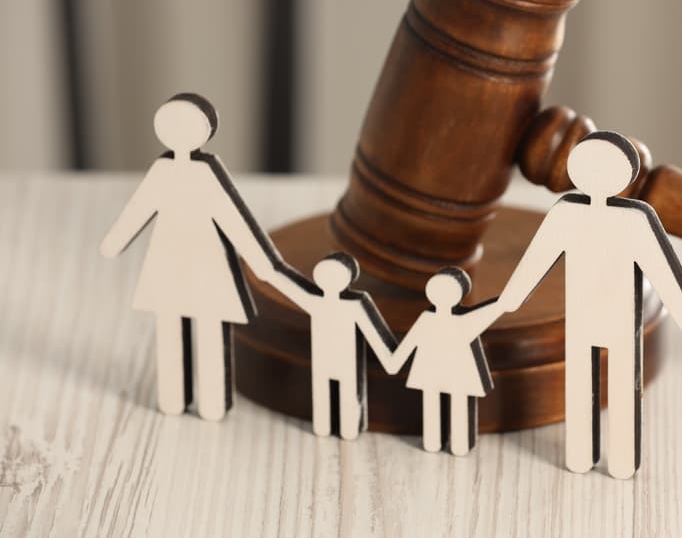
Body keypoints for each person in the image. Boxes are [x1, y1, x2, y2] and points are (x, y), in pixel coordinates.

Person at [497, 130, 682, 479]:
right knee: (583, 385)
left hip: (621, 318)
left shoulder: (635, 219)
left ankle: (622, 459)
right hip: (581, 314)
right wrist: (513, 296)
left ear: (625, 173)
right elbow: (538, 258)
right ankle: (582, 454)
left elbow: (661, 267)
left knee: (623, 385)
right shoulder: (567, 214)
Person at [100, 93, 295, 421]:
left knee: (209, 329)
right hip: (167, 263)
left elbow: (234, 219)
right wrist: (113, 243)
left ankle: (212, 402)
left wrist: (263, 262)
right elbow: (138, 211)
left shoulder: (207, 173)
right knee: (171, 330)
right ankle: (174, 397)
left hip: (209, 265)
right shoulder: (162, 170)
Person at [269, 252, 396, 439]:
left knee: (348, 393)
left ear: (348, 277)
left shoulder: (355, 305)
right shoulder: (315, 300)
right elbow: (284, 282)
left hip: (346, 361)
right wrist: (269, 269)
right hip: (322, 359)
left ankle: (348, 428)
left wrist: (391, 359)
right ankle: (324, 426)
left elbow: (375, 332)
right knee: (322, 391)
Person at [384, 268, 504, 456]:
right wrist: (393, 361)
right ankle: (433, 441)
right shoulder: (428, 318)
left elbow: (495, 309)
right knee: (432, 404)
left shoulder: (466, 319)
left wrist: (508, 301)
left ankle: (459, 443)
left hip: (457, 372)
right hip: (431, 371)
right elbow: (410, 343)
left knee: (459, 405)